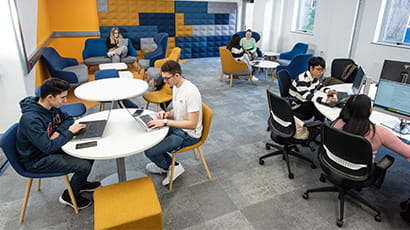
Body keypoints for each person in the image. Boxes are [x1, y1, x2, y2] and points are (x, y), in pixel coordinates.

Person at [16, 78, 100, 210]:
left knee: (89, 151)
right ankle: (69, 197)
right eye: (62, 98)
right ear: (50, 97)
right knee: (83, 166)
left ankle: (79, 184)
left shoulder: (51, 107)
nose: (65, 101)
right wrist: (68, 132)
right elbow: (48, 147)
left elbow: (68, 118)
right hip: (36, 159)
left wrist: (59, 131)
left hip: (48, 147)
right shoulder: (31, 119)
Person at [144, 60, 203, 186]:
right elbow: (179, 109)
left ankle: (171, 166)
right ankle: (167, 166)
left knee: (149, 151)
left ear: (177, 75)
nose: (164, 81)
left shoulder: (191, 92)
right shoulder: (176, 86)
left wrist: (166, 122)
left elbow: (192, 124)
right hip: (178, 127)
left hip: (190, 135)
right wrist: (167, 114)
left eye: (166, 78)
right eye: (163, 78)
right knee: (149, 138)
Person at [332, 94, 410, 162]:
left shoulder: (337, 123)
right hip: (359, 172)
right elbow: (407, 152)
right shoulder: (378, 131)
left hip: (334, 162)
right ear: (369, 111)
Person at [288, 56, 337, 121]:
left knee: (320, 103)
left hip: (304, 100)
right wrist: (325, 100)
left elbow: (319, 86)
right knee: (320, 106)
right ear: (311, 68)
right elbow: (308, 96)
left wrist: (328, 91)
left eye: (322, 70)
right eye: (318, 69)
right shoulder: (302, 80)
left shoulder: (313, 77)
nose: (321, 72)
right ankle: (317, 127)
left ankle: (318, 124)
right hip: (297, 105)